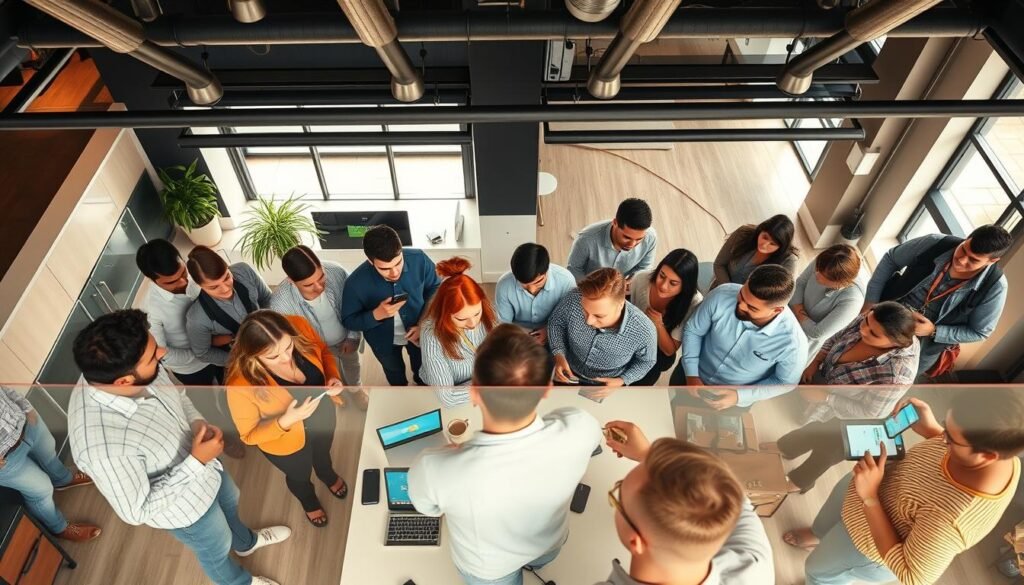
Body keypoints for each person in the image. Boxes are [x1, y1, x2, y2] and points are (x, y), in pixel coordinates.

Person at [69, 310, 289, 585]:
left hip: (209, 468)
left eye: (155, 345)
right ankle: (242, 582)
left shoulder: (131, 368)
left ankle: (246, 542)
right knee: (216, 551)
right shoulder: (99, 447)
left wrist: (197, 423)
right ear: (123, 382)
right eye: (153, 356)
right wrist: (195, 463)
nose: (162, 352)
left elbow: (178, 393)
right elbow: (137, 511)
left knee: (231, 503)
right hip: (186, 508)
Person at [408, 324, 602, 585]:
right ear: (547, 388)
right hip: (548, 545)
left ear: (473, 392)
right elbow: (575, 429)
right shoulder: (580, 426)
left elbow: (428, 509)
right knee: (541, 561)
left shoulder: (433, 468)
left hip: (489, 569)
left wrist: (449, 460)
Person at [786, 389, 1024, 585]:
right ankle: (818, 534)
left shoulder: (951, 520)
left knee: (817, 570)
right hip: (872, 486)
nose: (943, 440)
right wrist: (932, 428)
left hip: (866, 541)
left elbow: (913, 575)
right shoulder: (1005, 452)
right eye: (945, 426)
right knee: (830, 515)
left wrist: (870, 498)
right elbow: (949, 447)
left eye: (950, 438)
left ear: (988, 456)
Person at [766, 302, 920, 493]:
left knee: (827, 453)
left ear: (895, 343)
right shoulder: (872, 318)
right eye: (865, 322)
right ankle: (788, 448)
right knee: (814, 429)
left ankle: (800, 482)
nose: (863, 330)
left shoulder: (896, 376)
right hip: (831, 395)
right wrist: (817, 360)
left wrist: (826, 399)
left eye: (873, 334)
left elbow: (871, 413)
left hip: (856, 419)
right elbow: (836, 337)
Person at [597, 421, 774, 585]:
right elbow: (728, 492)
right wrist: (648, 455)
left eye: (617, 495)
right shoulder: (754, 567)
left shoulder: (754, 561)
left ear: (636, 542)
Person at [225, 310, 348, 528]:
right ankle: (308, 501)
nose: (286, 358)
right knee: (299, 475)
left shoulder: (298, 324)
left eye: (288, 346)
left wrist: (332, 376)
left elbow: (323, 352)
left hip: (323, 415)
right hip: (285, 443)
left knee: (323, 453)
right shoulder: (239, 385)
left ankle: (326, 474)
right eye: (272, 357)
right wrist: (286, 421)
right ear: (251, 356)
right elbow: (249, 435)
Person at [137, 239, 246, 458]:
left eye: (183, 273)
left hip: (223, 347)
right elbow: (163, 354)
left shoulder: (193, 277)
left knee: (232, 390)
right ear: (152, 279)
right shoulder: (151, 311)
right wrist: (204, 349)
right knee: (207, 406)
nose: (182, 282)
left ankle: (243, 423)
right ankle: (228, 438)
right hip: (191, 366)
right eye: (171, 282)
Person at [863, 224, 1010, 377]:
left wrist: (934, 331)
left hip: (920, 346)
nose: (961, 260)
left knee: (883, 385)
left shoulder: (995, 287)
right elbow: (891, 258)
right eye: (963, 249)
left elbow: (979, 332)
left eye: (973, 260)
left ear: (992, 261)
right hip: (885, 314)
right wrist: (870, 302)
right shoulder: (934, 242)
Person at [671, 265, 807, 411]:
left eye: (751, 307)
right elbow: (694, 330)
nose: (741, 306)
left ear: (777, 310)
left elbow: (785, 382)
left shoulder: (793, 344)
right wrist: (691, 374)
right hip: (689, 373)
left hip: (731, 402)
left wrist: (739, 396)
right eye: (741, 295)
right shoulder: (722, 294)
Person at [341, 225, 442, 386]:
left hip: (420, 333)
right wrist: (376, 315)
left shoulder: (419, 259)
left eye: (398, 263)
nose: (395, 272)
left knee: (423, 370)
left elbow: (436, 288)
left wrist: (423, 324)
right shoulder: (354, 284)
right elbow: (348, 320)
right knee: (394, 375)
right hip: (383, 342)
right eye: (385, 269)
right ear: (370, 261)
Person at [270, 245, 368, 410]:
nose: (319, 287)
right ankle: (336, 396)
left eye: (321, 277)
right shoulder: (280, 305)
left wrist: (353, 336)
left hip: (346, 338)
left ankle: (356, 390)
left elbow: (356, 305)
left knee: (352, 364)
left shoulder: (337, 272)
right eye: (308, 285)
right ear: (291, 281)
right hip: (314, 349)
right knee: (327, 374)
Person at [0, 386, 100, 542]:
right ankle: (58, 527)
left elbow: (4, 389)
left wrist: (28, 408)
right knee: (41, 489)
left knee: (49, 454)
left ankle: (63, 479)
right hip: (6, 460)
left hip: (27, 423)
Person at [548, 268, 657, 396]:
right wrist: (559, 354)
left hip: (605, 387)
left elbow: (647, 361)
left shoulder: (644, 331)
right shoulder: (574, 297)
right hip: (567, 373)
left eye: (599, 316)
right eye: (584, 311)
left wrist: (622, 380)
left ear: (620, 305)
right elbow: (556, 322)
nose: (588, 321)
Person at [418, 257, 498, 407]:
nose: (473, 323)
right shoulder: (431, 335)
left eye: (476, 313)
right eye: (462, 319)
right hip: (455, 400)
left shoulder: (487, 312)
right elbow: (448, 397)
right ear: (444, 313)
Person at [185, 246, 272, 368]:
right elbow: (203, 353)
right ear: (200, 285)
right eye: (214, 287)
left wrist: (270, 326)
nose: (226, 289)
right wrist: (243, 361)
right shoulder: (196, 318)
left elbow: (266, 298)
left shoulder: (244, 271)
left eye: (227, 277)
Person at [630, 249, 704, 386]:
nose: (663, 286)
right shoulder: (640, 279)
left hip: (660, 349)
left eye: (673, 283)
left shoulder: (694, 301)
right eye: (661, 275)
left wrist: (658, 324)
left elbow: (669, 350)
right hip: (633, 337)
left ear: (685, 285)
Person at [791, 244, 867, 358]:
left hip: (803, 341)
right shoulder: (824, 262)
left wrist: (797, 311)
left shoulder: (853, 300)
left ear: (842, 282)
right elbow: (800, 282)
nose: (816, 274)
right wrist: (799, 310)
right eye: (817, 269)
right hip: (788, 316)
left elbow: (817, 333)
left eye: (823, 276)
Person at [494, 243, 575, 343]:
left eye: (538, 282)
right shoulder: (504, 286)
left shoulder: (566, 281)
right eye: (524, 284)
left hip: (554, 330)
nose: (532, 290)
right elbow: (503, 324)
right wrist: (522, 337)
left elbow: (569, 316)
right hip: (517, 334)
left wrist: (549, 330)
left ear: (547, 270)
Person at [567, 198, 658, 282]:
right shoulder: (586, 239)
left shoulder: (650, 237)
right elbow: (574, 270)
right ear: (615, 223)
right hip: (589, 287)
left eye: (639, 239)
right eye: (627, 237)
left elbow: (644, 267)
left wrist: (630, 282)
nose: (632, 244)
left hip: (621, 288)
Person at [711, 214, 798, 290]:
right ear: (761, 230)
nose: (764, 245)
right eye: (765, 237)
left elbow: (779, 296)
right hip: (722, 287)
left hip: (751, 304)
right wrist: (728, 290)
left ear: (780, 248)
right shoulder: (743, 234)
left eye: (772, 244)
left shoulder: (788, 262)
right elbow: (719, 264)